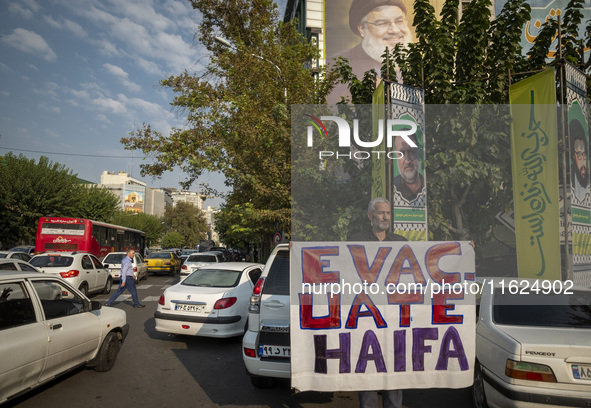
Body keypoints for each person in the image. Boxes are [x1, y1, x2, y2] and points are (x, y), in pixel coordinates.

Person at [350, 197, 405, 408]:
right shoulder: (356, 239)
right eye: (381, 213)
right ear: (370, 216)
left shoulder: (400, 242)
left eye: (388, 213)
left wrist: (464, 248)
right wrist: (297, 250)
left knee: (394, 365)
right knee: (369, 366)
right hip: (367, 317)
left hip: (393, 317)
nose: (385, 217)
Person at [327, 0, 412, 104]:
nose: (395, 30)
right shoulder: (336, 67)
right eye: (382, 23)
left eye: (399, 21)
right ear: (362, 29)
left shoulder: (421, 67)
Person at [393, 133, 425, 203]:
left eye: (411, 152)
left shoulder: (427, 184)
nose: (407, 160)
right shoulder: (392, 186)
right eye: (401, 153)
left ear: (419, 154)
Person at [570, 119, 589, 202]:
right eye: (579, 155)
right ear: (573, 156)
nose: (583, 163)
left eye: (584, 154)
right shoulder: (571, 180)